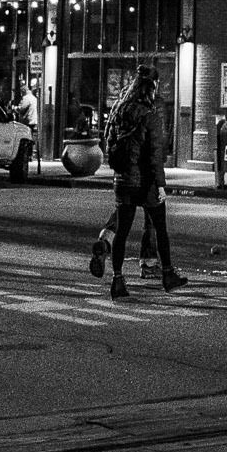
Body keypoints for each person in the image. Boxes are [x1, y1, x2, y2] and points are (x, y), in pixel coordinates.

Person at [89, 71, 185, 298]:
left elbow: (109, 140)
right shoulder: (150, 114)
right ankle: (166, 273)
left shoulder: (118, 110)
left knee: (121, 232)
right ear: (150, 89)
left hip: (122, 179)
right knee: (160, 227)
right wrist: (161, 184)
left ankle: (118, 280)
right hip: (145, 180)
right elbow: (154, 153)